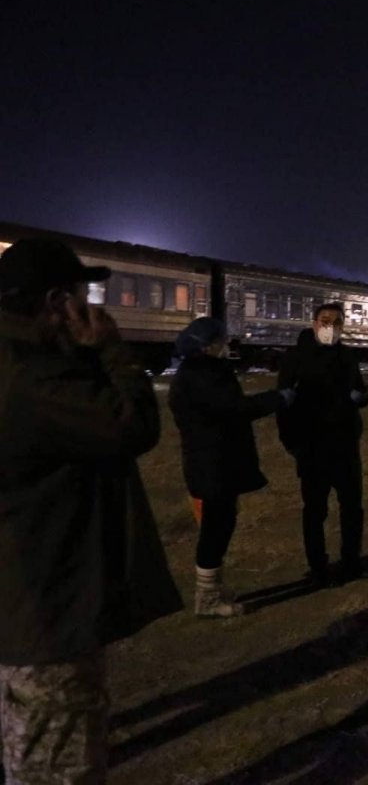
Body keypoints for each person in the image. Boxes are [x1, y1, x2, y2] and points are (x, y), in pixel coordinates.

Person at [0, 237, 182, 782]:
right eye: (85, 294)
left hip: (19, 599)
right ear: (57, 302)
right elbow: (131, 425)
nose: (93, 305)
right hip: (46, 611)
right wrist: (110, 349)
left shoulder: (18, 365)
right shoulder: (32, 380)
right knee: (58, 767)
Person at [169, 317, 294, 616]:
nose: (224, 345)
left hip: (210, 462)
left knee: (219, 524)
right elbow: (236, 409)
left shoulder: (194, 372)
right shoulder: (204, 374)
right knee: (216, 528)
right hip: (214, 464)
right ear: (207, 345)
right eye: (220, 341)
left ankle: (211, 590)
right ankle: (208, 599)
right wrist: (278, 398)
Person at [277, 303, 368, 587]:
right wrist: (291, 443)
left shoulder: (347, 355)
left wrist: (362, 398)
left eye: (336, 322)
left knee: (352, 507)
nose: (330, 327)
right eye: (325, 320)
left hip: (345, 444)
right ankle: (318, 568)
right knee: (315, 510)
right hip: (312, 445)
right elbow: (283, 402)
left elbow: (361, 389)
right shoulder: (295, 357)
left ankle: (351, 563)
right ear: (314, 323)